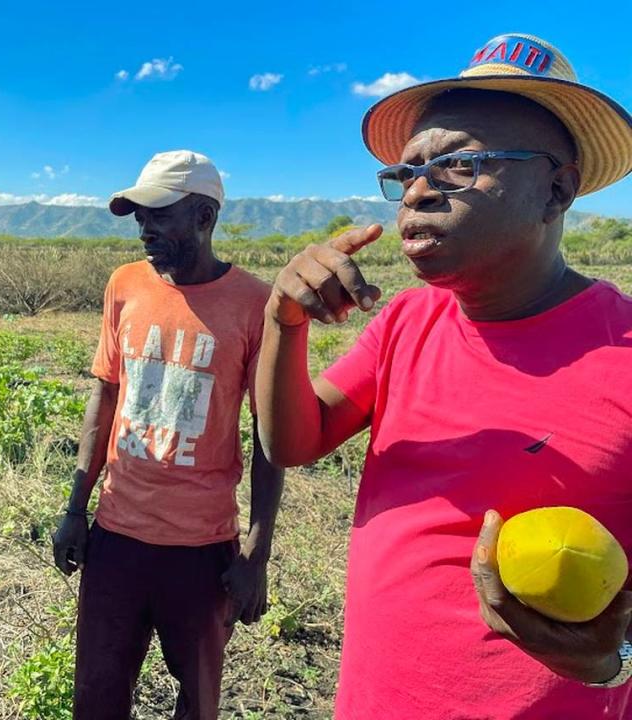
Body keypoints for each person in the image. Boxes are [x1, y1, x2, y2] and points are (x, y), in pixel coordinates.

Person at [256, 33, 632, 718]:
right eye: (406, 175)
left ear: (556, 190)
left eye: (461, 164)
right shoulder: (406, 322)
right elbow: (293, 443)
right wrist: (283, 324)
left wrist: (616, 659)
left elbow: (621, 639)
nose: (417, 193)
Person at [51, 150, 284, 720]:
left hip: (201, 549)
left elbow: (269, 437)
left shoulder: (256, 305)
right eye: (138, 216)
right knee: (98, 699)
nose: (144, 230)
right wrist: (75, 509)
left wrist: (257, 549)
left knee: (197, 701)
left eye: (159, 215)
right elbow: (105, 396)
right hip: (116, 537)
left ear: (204, 216)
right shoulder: (125, 284)